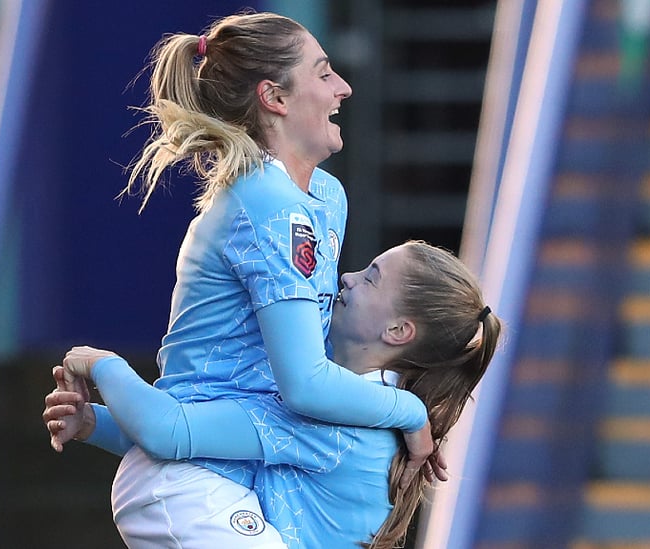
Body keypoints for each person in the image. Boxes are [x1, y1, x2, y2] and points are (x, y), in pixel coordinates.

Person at [56, 10, 434, 547]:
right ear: (275, 98)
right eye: (324, 73)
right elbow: (302, 386)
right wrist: (411, 412)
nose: (343, 88)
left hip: (232, 471)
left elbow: (267, 392)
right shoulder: (269, 204)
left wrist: (99, 423)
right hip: (188, 484)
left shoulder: (324, 198)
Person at [46, 241, 501, 548]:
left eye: (371, 279)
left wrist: (103, 365)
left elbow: (171, 432)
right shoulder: (349, 399)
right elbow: (206, 451)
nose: (347, 277)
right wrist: (93, 424)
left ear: (399, 331)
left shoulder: (337, 416)